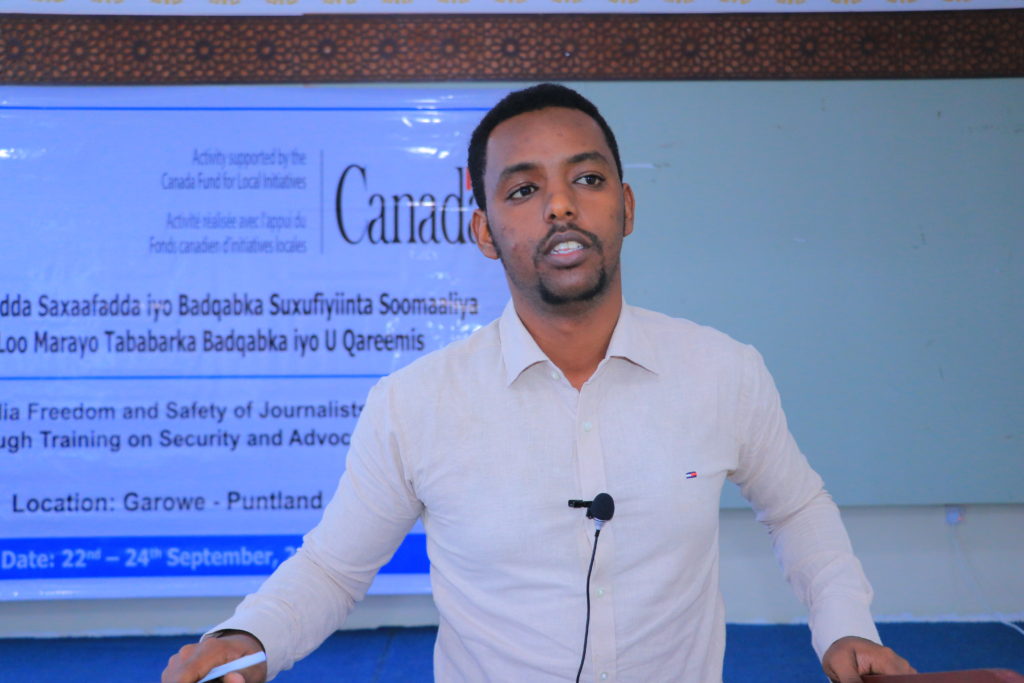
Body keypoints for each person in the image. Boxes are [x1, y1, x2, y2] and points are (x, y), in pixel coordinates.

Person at [163, 84, 916, 683]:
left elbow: (797, 508)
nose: (560, 205)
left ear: (624, 206)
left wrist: (846, 624)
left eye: (586, 179)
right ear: (485, 231)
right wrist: (251, 635)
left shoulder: (723, 370)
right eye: (522, 190)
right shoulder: (414, 404)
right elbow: (333, 566)